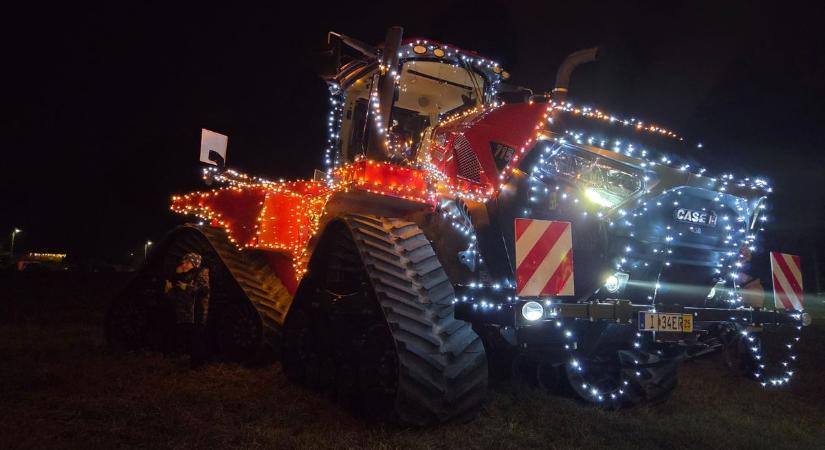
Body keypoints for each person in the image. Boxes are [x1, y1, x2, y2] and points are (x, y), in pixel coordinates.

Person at [164, 252, 210, 369]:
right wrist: (169, 291)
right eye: (183, 261)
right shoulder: (185, 275)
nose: (183, 264)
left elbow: (204, 291)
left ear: (193, 263)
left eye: (187, 262)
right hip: (186, 314)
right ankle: (193, 363)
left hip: (196, 313)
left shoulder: (202, 273)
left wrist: (187, 288)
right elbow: (179, 297)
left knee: (197, 339)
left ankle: (199, 365)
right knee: (190, 339)